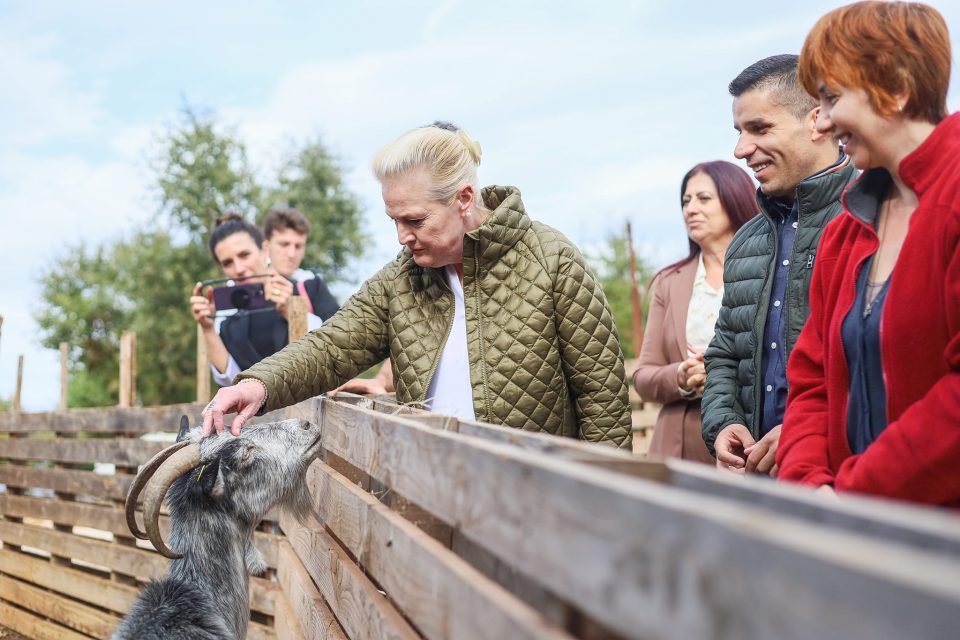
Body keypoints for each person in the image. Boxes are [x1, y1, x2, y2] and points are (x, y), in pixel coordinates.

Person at [200, 122, 633, 449]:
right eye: (395, 221)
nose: (402, 236)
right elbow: (331, 346)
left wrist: (601, 514)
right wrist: (257, 384)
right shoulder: (402, 279)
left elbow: (603, 402)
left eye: (415, 220)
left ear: (464, 199)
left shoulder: (552, 258)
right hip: (431, 495)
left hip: (539, 504)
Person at [777, 1, 960, 505]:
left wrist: (855, 495)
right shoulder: (845, 230)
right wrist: (810, 486)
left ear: (897, 86)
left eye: (833, 97)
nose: (825, 120)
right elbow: (812, 378)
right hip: (854, 535)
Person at [701, 54, 857, 475]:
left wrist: (804, 432)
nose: (740, 149)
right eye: (738, 131)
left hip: (844, 481)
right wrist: (723, 424)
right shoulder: (746, 242)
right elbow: (724, 355)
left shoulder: (871, 218)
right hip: (760, 483)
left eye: (760, 128)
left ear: (817, 121)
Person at [633, 161, 756, 463]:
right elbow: (644, 376)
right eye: (686, 201)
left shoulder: (769, 269)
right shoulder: (668, 282)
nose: (690, 209)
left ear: (735, 198)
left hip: (752, 439)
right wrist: (681, 376)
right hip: (682, 446)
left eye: (704, 198)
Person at [189, 214, 339, 387]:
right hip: (258, 412)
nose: (239, 269)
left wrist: (292, 313)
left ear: (265, 250)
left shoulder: (307, 288)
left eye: (244, 255)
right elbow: (232, 382)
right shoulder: (228, 318)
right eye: (228, 263)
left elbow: (337, 351)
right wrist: (208, 329)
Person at [262, 208, 339, 326]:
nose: (291, 254)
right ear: (266, 247)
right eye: (284, 244)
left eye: (298, 246)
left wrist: (295, 314)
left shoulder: (313, 286)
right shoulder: (248, 286)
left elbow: (338, 334)